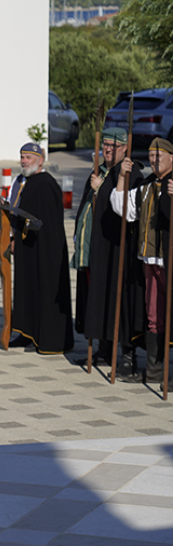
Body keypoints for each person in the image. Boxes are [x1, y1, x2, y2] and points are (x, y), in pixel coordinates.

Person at [73, 127, 145, 373]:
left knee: (120, 300)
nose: (107, 149)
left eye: (113, 146)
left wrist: (100, 189)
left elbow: (125, 209)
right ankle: (103, 349)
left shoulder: (130, 173)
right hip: (98, 249)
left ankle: (127, 355)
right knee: (99, 297)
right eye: (104, 145)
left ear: (125, 148)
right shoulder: (100, 171)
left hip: (118, 249)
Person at [0, 143, 74, 354]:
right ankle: (26, 332)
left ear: (41, 159)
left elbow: (47, 222)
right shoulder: (23, 182)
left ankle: (46, 338)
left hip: (46, 250)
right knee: (26, 288)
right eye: (22, 157)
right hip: (26, 245)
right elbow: (19, 209)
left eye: (29, 157)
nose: (24, 161)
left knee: (44, 289)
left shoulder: (45, 184)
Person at [110, 137, 173, 382]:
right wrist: (122, 177)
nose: (154, 160)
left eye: (159, 156)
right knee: (154, 317)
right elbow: (122, 207)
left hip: (169, 261)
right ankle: (155, 372)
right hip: (149, 259)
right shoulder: (147, 185)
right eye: (151, 156)